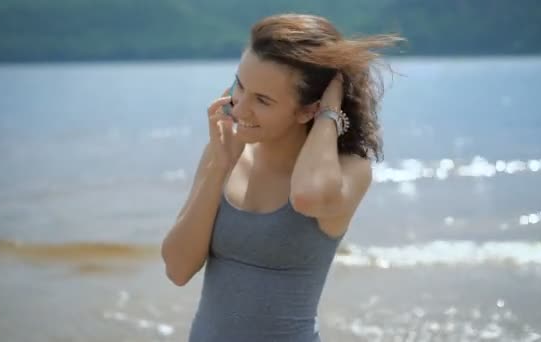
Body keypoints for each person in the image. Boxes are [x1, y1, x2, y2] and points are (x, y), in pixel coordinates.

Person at [161, 13, 402, 342]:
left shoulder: (350, 170)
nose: (240, 108)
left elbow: (306, 197)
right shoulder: (223, 154)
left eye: (262, 100)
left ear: (308, 110)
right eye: (240, 86)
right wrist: (219, 167)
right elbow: (177, 269)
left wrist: (329, 115)